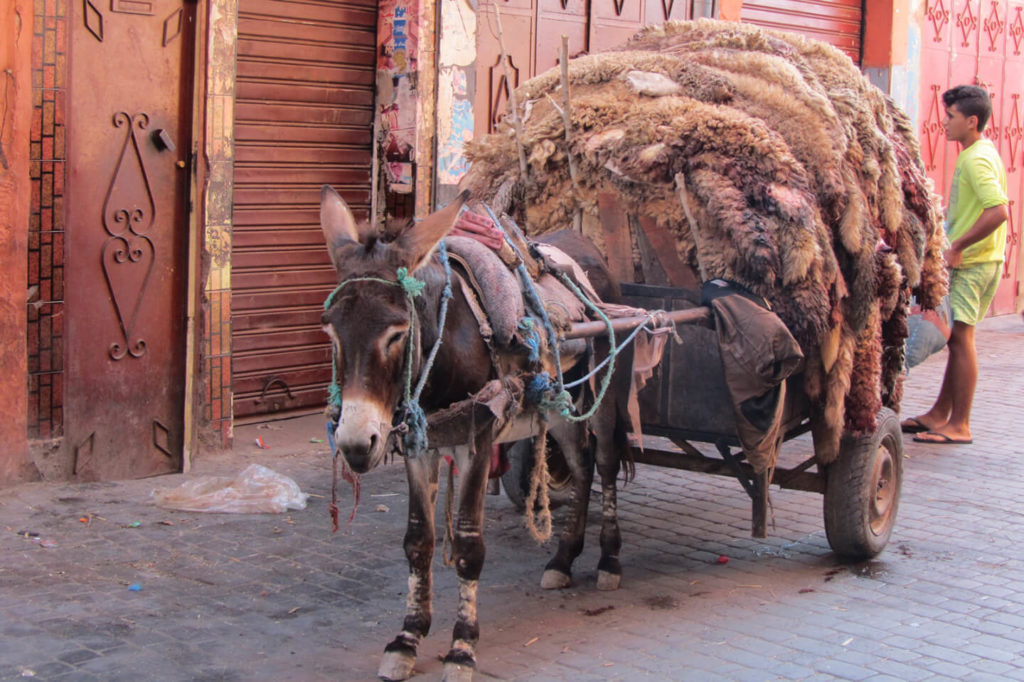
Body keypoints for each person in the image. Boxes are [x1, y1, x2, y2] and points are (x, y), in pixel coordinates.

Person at [902, 85, 1009, 445]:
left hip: (975, 264)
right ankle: (940, 414)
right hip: (983, 261)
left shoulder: (975, 159)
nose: (944, 122)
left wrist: (958, 246)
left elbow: (998, 211)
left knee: (961, 340)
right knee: (958, 339)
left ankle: (960, 425)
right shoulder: (981, 152)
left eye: (950, 116)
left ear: (972, 121)